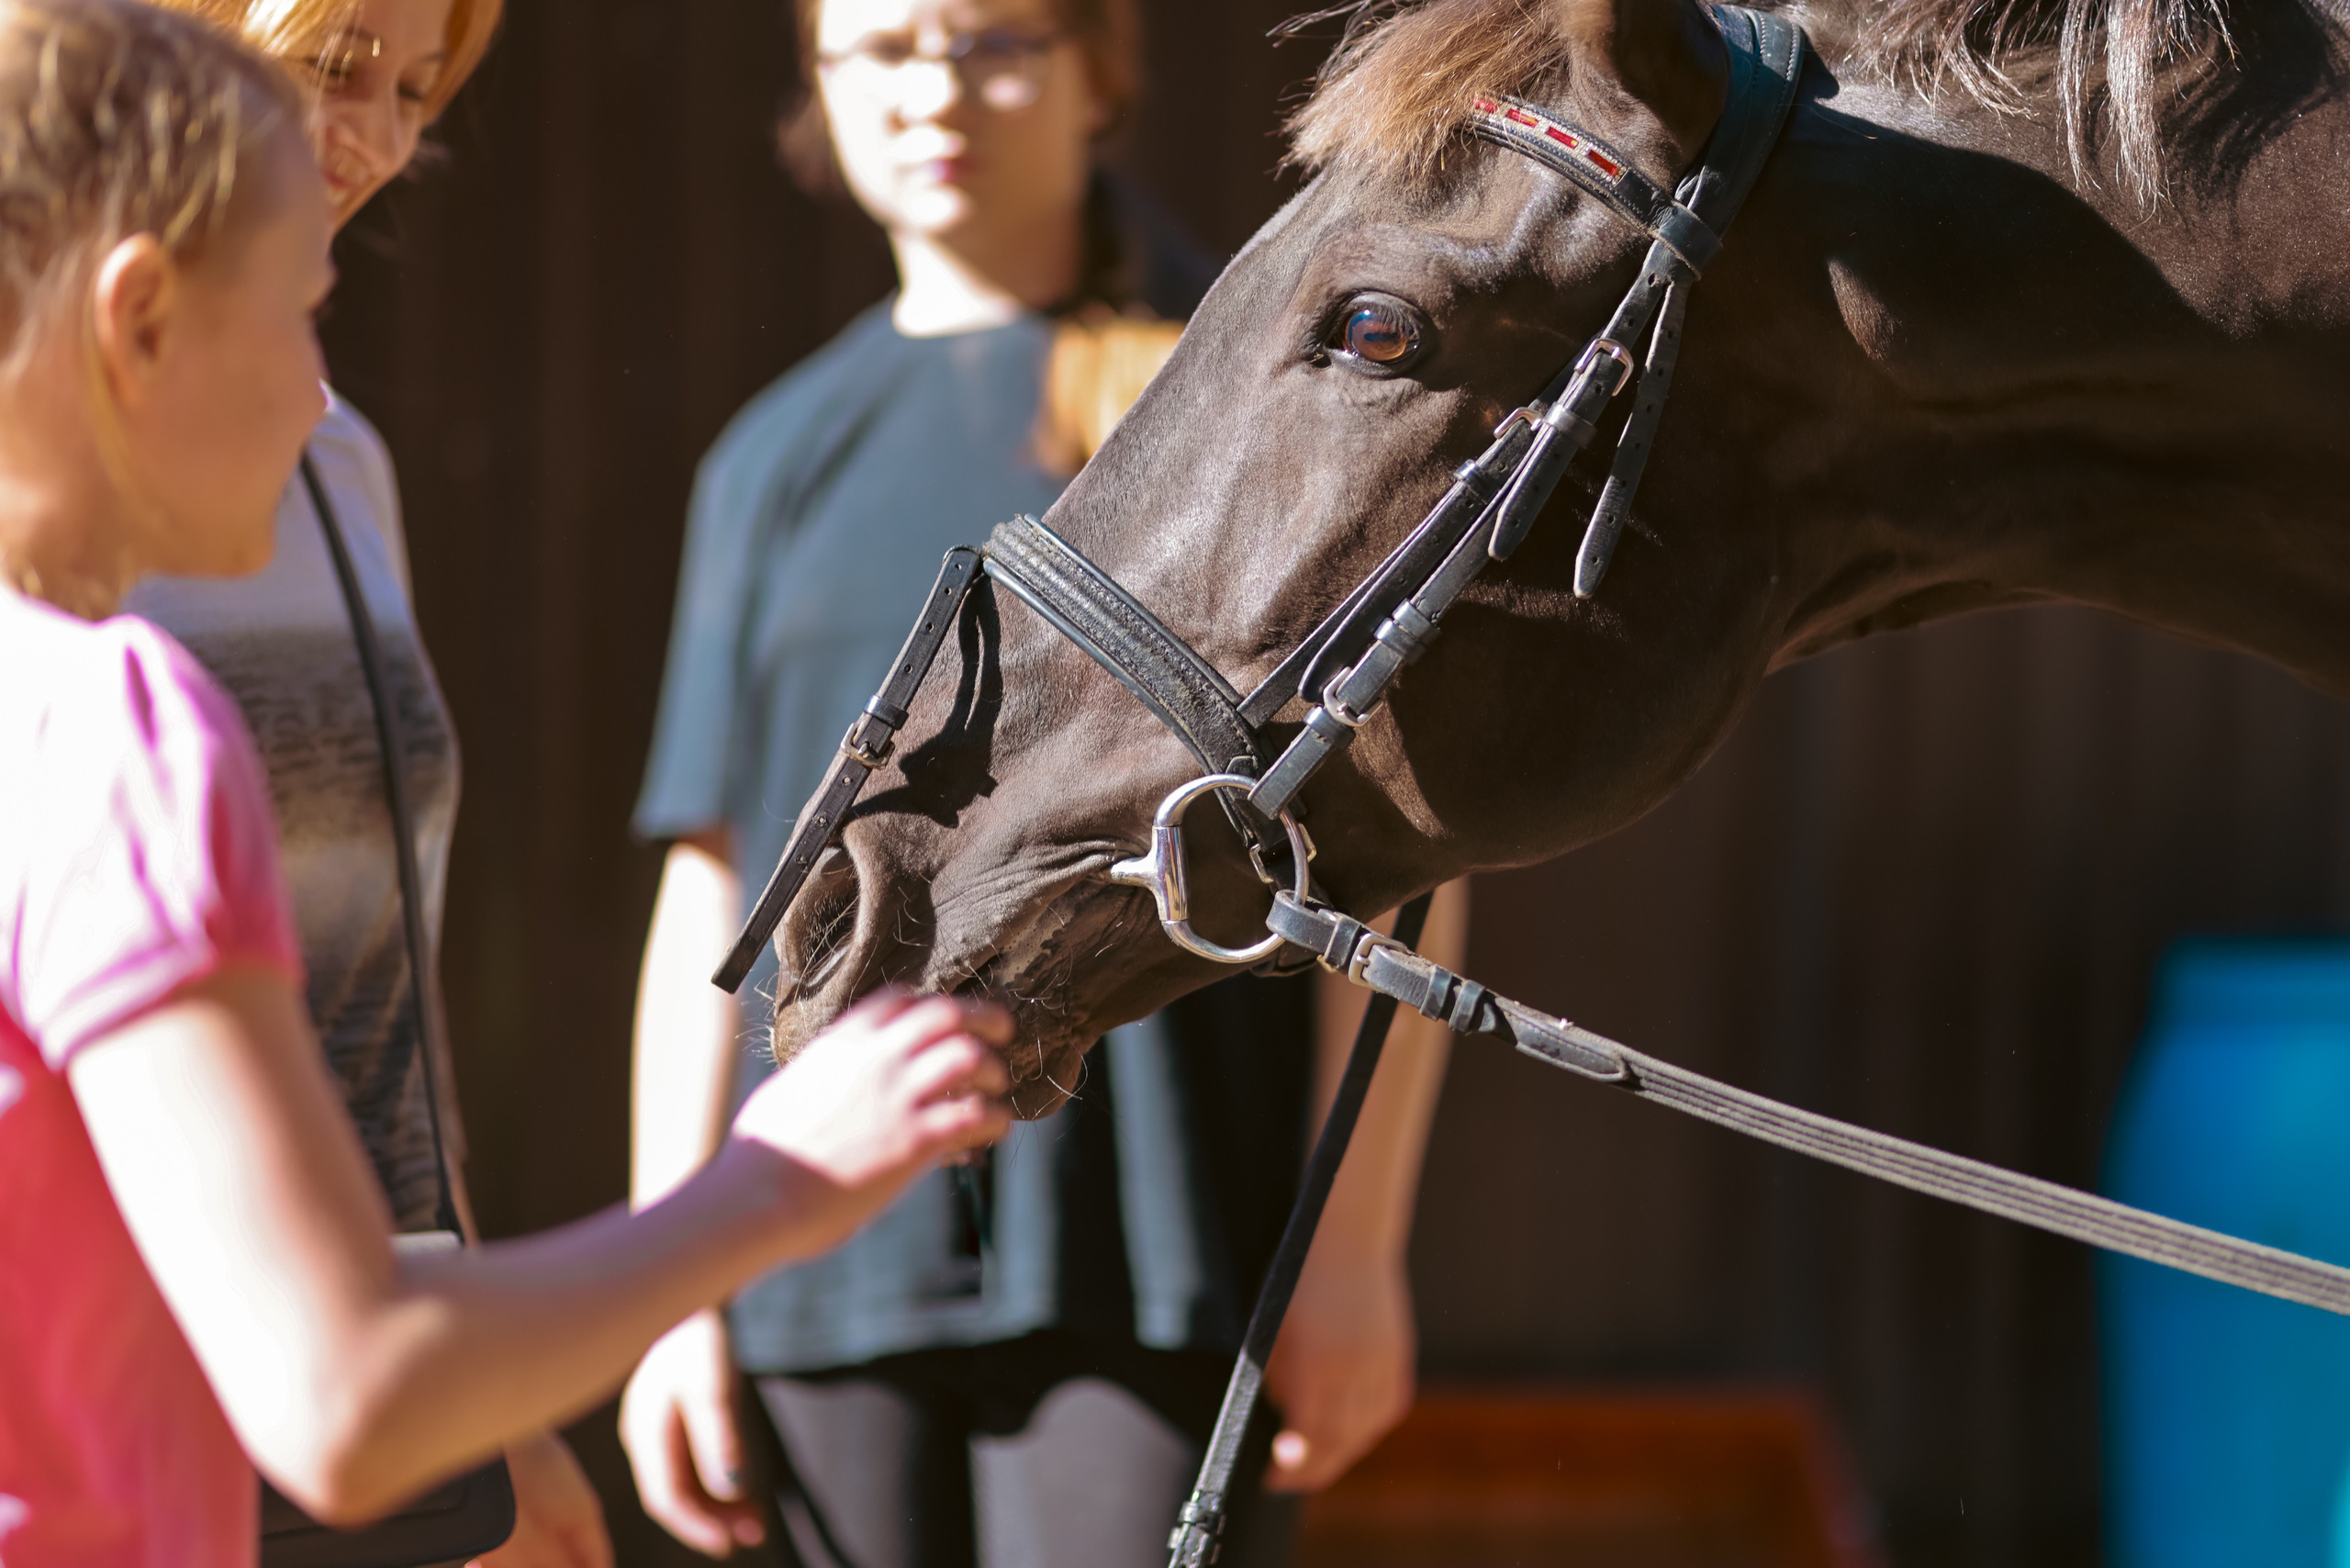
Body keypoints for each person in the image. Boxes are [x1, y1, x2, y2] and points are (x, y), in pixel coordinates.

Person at [0, 6, 1013, 1566]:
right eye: (298, 317)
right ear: (137, 318)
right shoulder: (110, 722)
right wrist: (776, 1183)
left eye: (419, 91)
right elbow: (341, 1396)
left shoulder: (278, 531)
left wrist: (491, 1386)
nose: (316, 393)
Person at [621, 0, 1469, 1562]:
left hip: (1161, 1245)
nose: (935, 86)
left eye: (994, 37)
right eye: (880, 49)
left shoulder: (1243, 397)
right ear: (819, 88)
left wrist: (1351, 1251)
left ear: (1099, 74)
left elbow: (1399, 858)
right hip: (820, 1254)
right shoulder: (770, 459)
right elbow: (716, 883)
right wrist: (669, 1277)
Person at [118, 0, 605, 1559]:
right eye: (336, 71)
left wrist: (493, 1396)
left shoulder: (342, 464)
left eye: (412, 91)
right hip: (102, 1379)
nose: (382, 139)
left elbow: (380, 971)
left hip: (366, 1396)